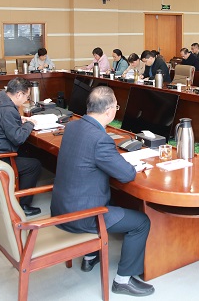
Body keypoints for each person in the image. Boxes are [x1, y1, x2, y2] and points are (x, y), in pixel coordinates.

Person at [51, 87, 154, 297]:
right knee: (141, 222)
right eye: (116, 107)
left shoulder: (72, 126)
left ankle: (89, 257)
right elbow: (126, 174)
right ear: (109, 111)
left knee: (114, 200)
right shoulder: (100, 138)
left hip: (61, 207)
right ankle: (123, 280)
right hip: (83, 215)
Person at [0, 77, 42, 216]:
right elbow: (18, 138)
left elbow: (2, 121)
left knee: (27, 152)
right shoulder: (8, 110)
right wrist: (29, 124)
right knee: (34, 165)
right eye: (27, 96)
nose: (26, 100)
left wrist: (18, 120)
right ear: (19, 94)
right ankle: (22, 205)